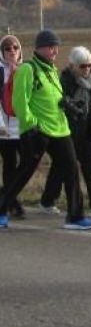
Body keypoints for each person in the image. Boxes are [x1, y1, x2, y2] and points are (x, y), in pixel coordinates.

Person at [0, 29, 91, 230]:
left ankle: (75, 217)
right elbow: (19, 101)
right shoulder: (28, 69)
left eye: (56, 46)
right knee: (24, 171)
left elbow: (54, 97)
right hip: (39, 130)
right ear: (40, 48)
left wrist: (69, 106)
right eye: (51, 46)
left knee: (71, 169)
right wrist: (30, 125)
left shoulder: (51, 69)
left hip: (60, 129)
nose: (55, 50)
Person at [39, 46, 91, 218]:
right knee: (60, 167)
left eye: (89, 65)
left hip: (87, 132)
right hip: (67, 131)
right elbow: (58, 104)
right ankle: (47, 201)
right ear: (73, 66)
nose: (87, 69)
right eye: (82, 66)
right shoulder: (63, 80)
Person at [0, 34, 26, 219]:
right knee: (10, 164)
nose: (12, 51)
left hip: (22, 128)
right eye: (7, 48)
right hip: (4, 129)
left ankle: (6, 195)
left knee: (25, 164)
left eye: (15, 47)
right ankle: (13, 203)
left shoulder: (26, 70)